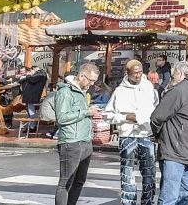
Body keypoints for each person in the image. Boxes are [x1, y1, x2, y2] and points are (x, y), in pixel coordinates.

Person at [151, 56, 188, 205]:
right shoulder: (179, 90)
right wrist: (162, 137)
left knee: (185, 197)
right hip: (174, 153)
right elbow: (156, 118)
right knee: (169, 198)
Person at [105, 60, 160, 205]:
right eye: (135, 72)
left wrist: (155, 129)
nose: (138, 75)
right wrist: (125, 117)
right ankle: (129, 202)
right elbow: (108, 115)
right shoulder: (119, 91)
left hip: (146, 135)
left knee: (149, 173)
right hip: (127, 135)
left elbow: (157, 110)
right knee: (127, 173)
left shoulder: (149, 88)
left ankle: (147, 201)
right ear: (127, 72)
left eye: (140, 71)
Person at [55, 63, 101, 205]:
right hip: (71, 142)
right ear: (81, 76)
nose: (92, 84)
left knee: (80, 180)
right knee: (66, 182)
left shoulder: (81, 91)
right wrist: (87, 112)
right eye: (91, 80)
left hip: (85, 140)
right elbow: (61, 118)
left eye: (94, 81)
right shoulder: (65, 92)